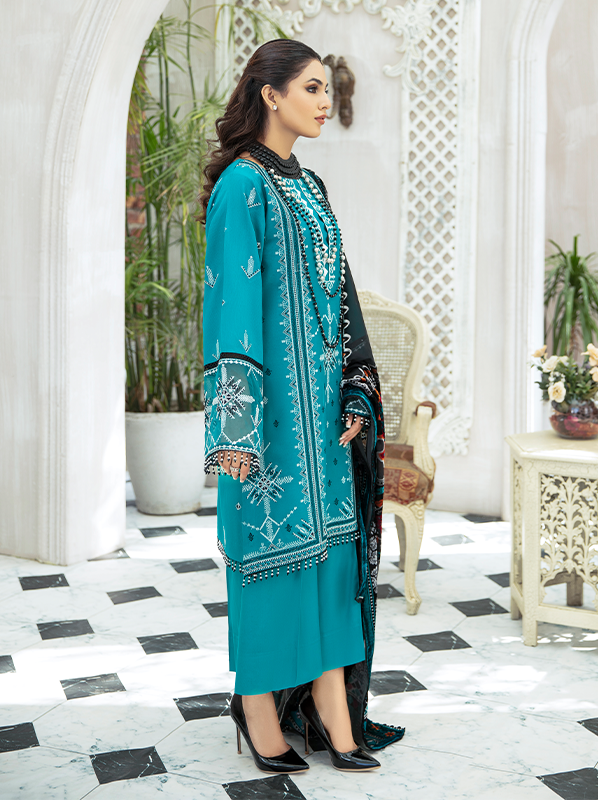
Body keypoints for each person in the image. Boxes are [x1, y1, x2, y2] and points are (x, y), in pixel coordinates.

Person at [199, 38, 404, 774]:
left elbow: (341, 302)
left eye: (325, 88)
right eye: (312, 88)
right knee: (269, 565)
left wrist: (355, 389)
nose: (324, 101)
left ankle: (335, 715)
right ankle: (258, 712)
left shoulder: (310, 187)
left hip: (322, 424)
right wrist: (236, 431)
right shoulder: (241, 187)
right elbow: (231, 312)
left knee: (329, 565)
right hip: (268, 429)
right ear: (270, 94)